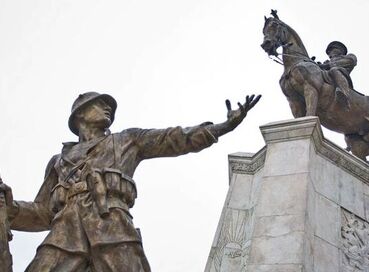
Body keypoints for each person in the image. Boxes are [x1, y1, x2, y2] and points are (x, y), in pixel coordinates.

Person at [0, 91, 260, 271]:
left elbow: (175, 139)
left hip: (112, 230)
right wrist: (10, 209)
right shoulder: (59, 161)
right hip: (63, 238)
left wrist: (222, 127)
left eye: (109, 106)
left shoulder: (127, 141)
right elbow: (43, 211)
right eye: (99, 103)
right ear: (79, 115)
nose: (108, 108)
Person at [319, 41, 357, 107]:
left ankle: (344, 93)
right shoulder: (327, 62)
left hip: (342, 75)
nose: (330, 54)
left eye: (331, 51)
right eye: (329, 53)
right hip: (330, 79)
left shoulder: (350, 56)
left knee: (334, 70)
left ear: (339, 50)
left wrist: (327, 65)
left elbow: (350, 62)